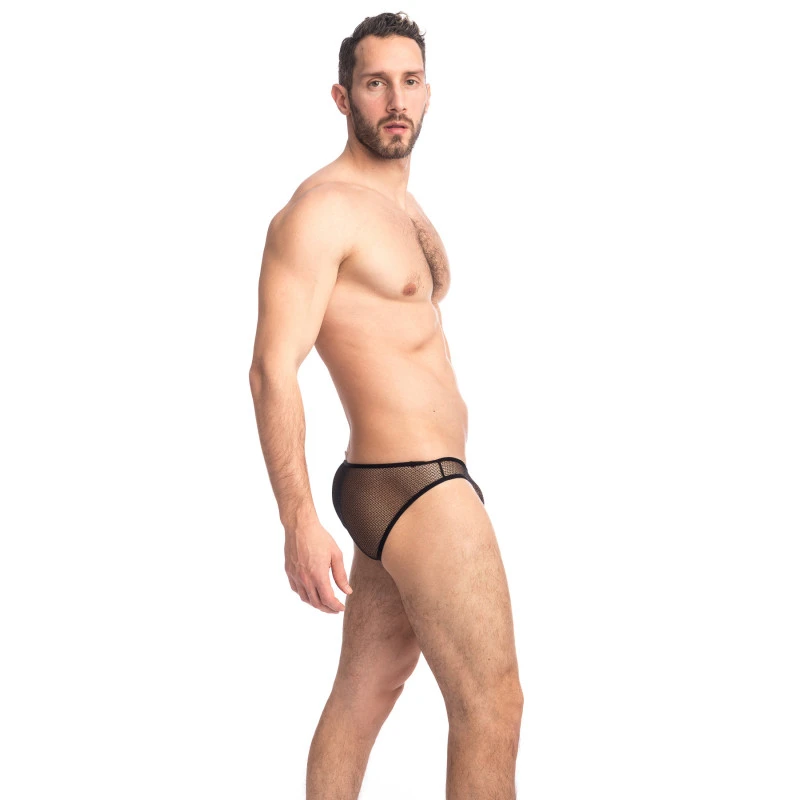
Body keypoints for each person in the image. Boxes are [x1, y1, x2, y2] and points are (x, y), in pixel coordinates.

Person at [249, 12, 523, 799]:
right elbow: (271, 369)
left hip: (401, 485)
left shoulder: (405, 206)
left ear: (428, 92)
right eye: (375, 83)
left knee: (363, 698)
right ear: (344, 98)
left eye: (409, 81)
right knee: (492, 704)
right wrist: (298, 520)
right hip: (415, 483)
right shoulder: (321, 211)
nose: (395, 100)